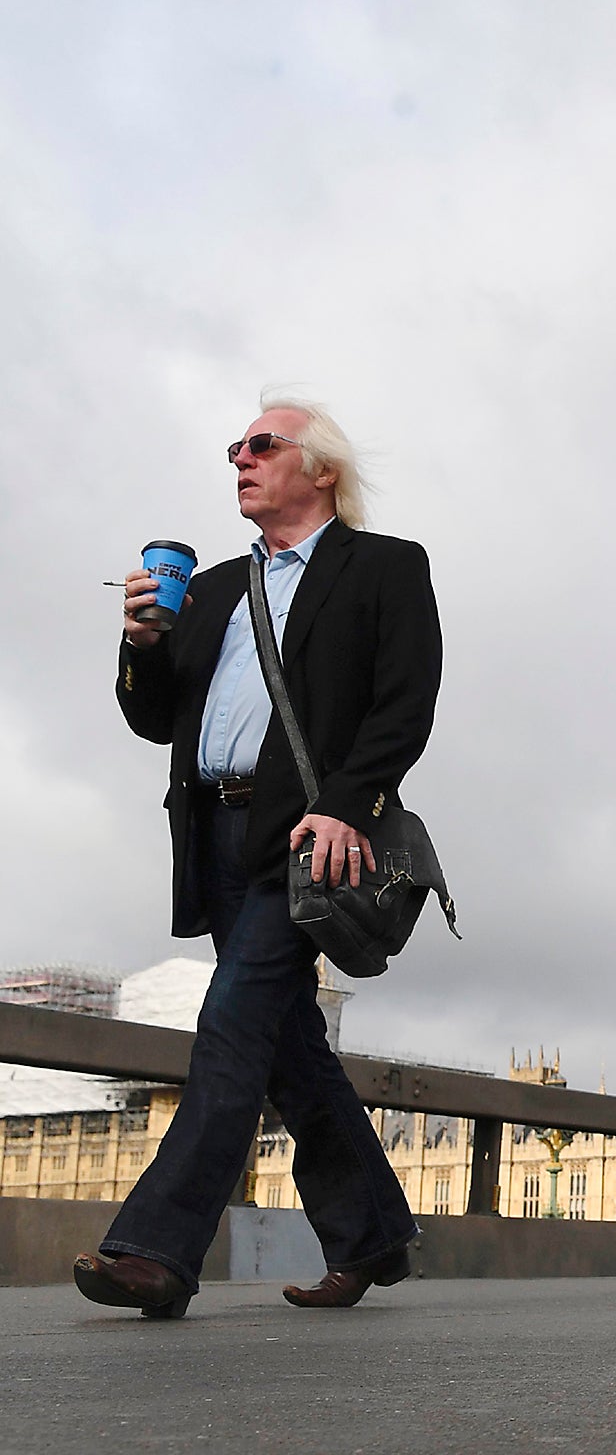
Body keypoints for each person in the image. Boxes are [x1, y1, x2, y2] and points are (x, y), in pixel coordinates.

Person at [74, 397, 442, 1319]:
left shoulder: (386, 568)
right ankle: (373, 1236)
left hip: (307, 838)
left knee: (233, 1025)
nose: (239, 458)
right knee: (290, 1048)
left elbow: (406, 702)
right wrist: (142, 645)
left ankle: (156, 1250)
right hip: (216, 836)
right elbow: (157, 718)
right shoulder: (208, 590)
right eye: (234, 448)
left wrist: (345, 808)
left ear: (319, 470)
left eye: (261, 445)